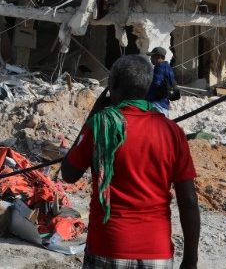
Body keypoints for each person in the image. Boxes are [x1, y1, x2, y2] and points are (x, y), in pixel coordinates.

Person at [61, 55, 200, 269]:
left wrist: (93, 116)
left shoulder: (101, 125)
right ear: (146, 88)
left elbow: (68, 174)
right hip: (157, 252)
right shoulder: (172, 132)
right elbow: (189, 201)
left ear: (112, 86)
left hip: (108, 246)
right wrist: (191, 259)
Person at [146, 47, 176, 117]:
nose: (150, 59)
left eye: (152, 56)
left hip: (156, 105)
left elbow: (156, 84)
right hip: (164, 105)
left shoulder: (159, 67)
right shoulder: (168, 67)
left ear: (159, 57)